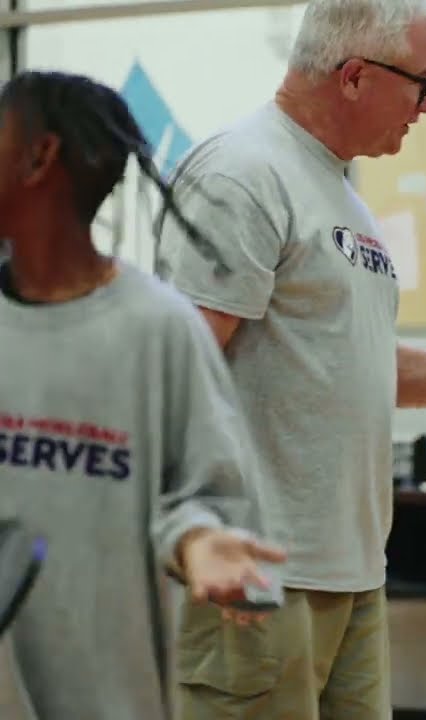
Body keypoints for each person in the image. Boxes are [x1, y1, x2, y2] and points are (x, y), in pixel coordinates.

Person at [155, 1, 426, 718]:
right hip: (259, 574)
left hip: (354, 574)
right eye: (422, 84)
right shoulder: (243, 174)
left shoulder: (342, 195)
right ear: (353, 77)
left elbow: (365, 363)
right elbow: (174, 377)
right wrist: (199, 538)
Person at [0, 70, 286, 720]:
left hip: (112, 697)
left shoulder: (160, 330)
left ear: (39, 158)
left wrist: (201, 540)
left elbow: (209, 497)